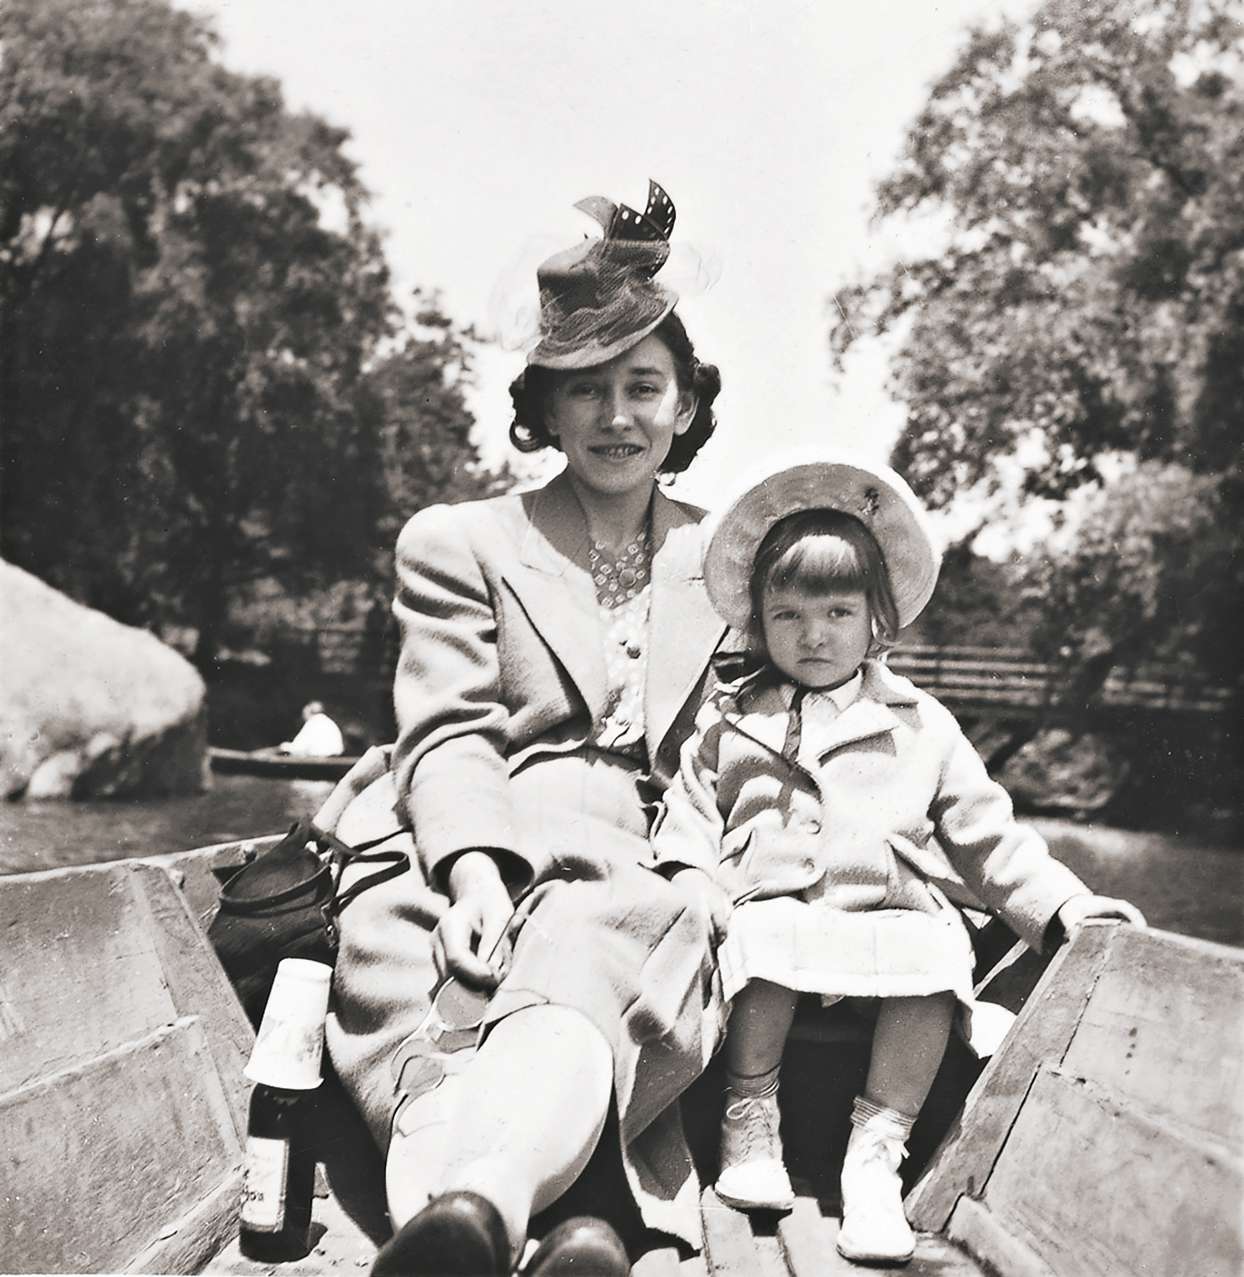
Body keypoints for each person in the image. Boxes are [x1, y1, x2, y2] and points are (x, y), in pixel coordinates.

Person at [323, 181, 729, 1275]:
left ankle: (482, 1209)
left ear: (685, 404)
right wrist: (469, 874)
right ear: (544, 409)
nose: (616, 416)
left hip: (634, 850)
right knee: (420, 975)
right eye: (584, 390)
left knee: (601, 945)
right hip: (458, 821)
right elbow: (445, 727)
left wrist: (701, 860)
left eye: (643, 386)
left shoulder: (735, 556)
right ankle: (547, 1228)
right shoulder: (459, 536)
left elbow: (752, 737)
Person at [650, 453, 1146, 1266]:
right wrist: (696, 876)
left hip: (883, 919)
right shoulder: (728, 723)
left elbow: (990, 836)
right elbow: (689, 818)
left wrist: (1064, 904)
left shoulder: (922, 724)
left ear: (877, 619)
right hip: (774, 931)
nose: (813, 635)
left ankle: (876, 1154)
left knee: (935, 951)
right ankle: (751, 1117)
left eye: (838, 612)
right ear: (757, 619)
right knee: (763, 931)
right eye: (788, 614)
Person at [279, 700, 344, 756]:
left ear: (307, 710)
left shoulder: (313, 722)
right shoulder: (326, 721)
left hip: (321, 762)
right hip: (333, 759)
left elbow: (298, 748)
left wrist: (284, 747)